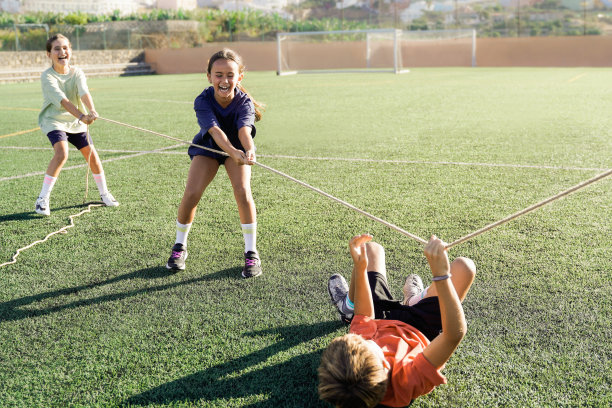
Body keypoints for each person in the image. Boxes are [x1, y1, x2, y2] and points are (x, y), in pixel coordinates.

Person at [319, 234, 476, 407]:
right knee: (465, 267)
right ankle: (415, 301)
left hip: (384, 320)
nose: (360, 336)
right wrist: (441, 276)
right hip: (421, 329)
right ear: (384, 365)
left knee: (370, 250)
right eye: (364, 342)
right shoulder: (407, 378)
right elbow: (453, 335)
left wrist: (360, 268)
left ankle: (348, 307)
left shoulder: (363, 364)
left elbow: (364, 317)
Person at [166, 48, 264, 278]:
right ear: (209, 76)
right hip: (209, 147)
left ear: (239, 77)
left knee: (243, 192)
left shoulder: (244, 102)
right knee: (191, 193)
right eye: (218, 74)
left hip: (237, 148)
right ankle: (179, 247)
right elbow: (216, 132)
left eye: (230, 75)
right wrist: (231, 152)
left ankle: (252, 252)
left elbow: (244, 131)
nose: (224, 80)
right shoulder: (202, 100)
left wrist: (249, 149)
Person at [35, 34, 119, 216]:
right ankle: (42, 199)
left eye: (65, 48)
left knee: (92, 156)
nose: (62, 52)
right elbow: (63, 101)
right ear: (48, 54)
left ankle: (104, 194)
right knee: (62, 153)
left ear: (70, 51)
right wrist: (82, 116)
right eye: (56, 49)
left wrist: (92, 110)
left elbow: (84, 92)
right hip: (54, 120)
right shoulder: (47, 76)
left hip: (76, 122)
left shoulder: (77, 72)